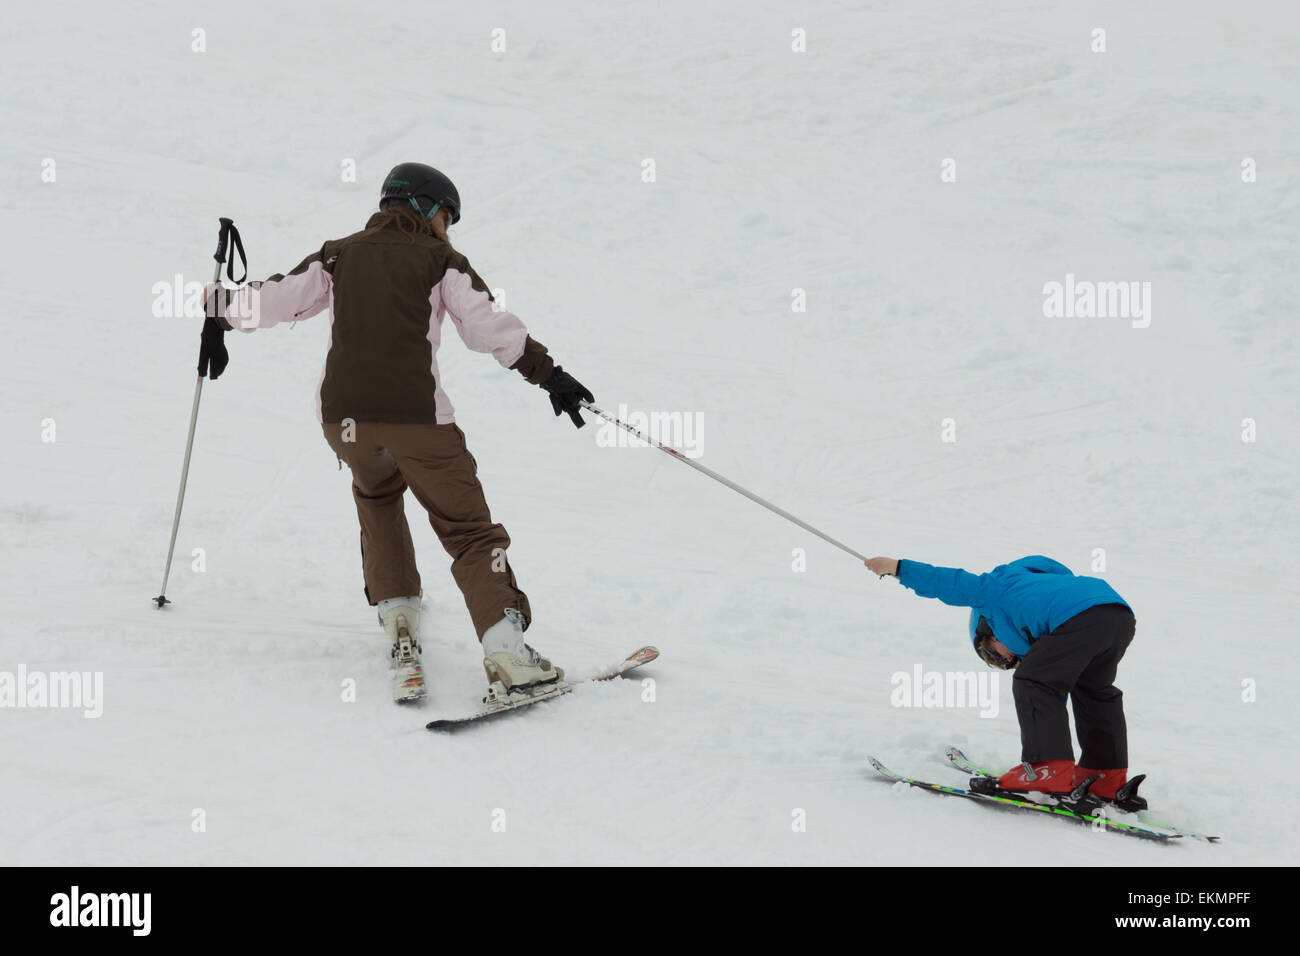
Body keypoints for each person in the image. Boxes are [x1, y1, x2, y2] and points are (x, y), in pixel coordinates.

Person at [200, 162, 593, 698]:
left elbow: (275, 299)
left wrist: (219, 309)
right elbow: (488, 327)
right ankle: (508, 654)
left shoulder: (339, 253)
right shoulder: (440, 260)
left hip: (344, 421)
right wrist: (550, 376)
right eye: (447, 218)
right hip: (418, 420)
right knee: (469, 530)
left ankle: (400, 619)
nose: (447, 230)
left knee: (378, 495)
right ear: (429, 210)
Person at [864, 554, 1142, 809]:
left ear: (991, 631)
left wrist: (899, 569)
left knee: (1032, 680)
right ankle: (1105, 775)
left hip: (1079, 617)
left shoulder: (995, 593)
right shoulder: (1038, 592)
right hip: (1116, 614)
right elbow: (1051, 701)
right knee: (1093, 691)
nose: (1011, 662)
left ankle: (1046, 770)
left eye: (996, 656)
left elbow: (952, 583)